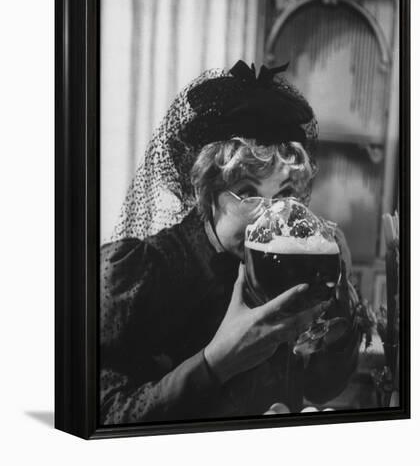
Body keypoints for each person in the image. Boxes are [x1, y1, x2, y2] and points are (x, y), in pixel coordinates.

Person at [100, 60, 360, 425]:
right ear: (205, 192)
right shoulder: (139, 273)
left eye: (284, 193)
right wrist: (216, 363)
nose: (272, 215)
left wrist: (343, 314)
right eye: (247, 192)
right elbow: (104, 416)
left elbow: (319, 387)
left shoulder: (287, 262)